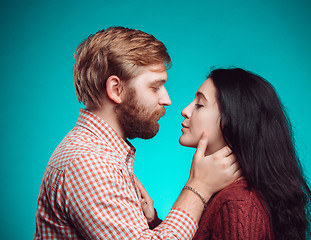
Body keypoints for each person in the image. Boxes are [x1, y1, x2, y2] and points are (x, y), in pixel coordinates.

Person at [34, 27, 241, 239]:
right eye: (155, 87)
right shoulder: (89, 163)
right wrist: (199, 187)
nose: (167, 100)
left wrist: (151, 222)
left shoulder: (100, 154)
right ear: (116, 89)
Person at [142, 67, 311, 239]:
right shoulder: (228, 195)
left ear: (232, 121)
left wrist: (196, 186)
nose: (185, 111)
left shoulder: (237, 203)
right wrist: (153, 221)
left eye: (199, 104)